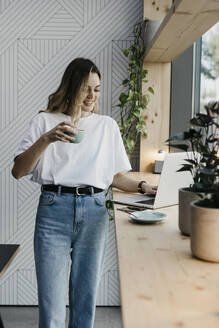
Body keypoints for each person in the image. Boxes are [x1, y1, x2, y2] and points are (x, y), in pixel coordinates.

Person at [11, 57, 157, 328]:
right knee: (51, 305)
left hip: (94, 210)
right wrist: (48, 138)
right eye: (86, 88)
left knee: (85, 300)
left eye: (97, 89)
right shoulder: (45, 121)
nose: (92, 95)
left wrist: (142, 186)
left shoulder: (106, 126)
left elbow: (113, 176)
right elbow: (18, 170)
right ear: (71, 86)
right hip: (53, 209)